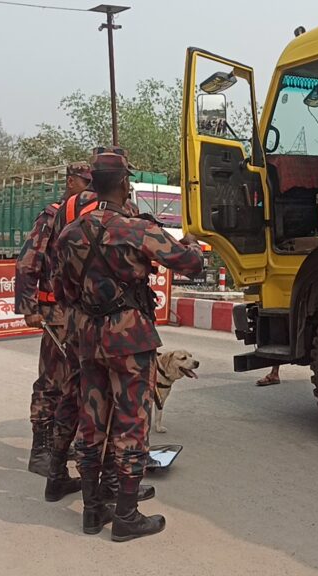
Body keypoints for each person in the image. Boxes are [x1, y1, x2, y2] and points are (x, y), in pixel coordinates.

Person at [55, 151, 204, 541]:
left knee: (91, 422)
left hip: (87, 339)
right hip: (130, 340)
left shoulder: (69, 233)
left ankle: (92, 511)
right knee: (132, 424)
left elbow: (62, 291)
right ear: (124, 184)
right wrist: (191, 243)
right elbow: (191, 264)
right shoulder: (136, 230)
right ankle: (125, 515)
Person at [15, 161, 93, 486]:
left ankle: (60, 443)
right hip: (55, 313)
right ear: (71, 182)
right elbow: (27, 262)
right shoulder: (52, 216)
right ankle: (40, 450)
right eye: (86, 182)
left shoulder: (87, 215)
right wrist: (29, 307)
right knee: (51, 382)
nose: (91, 188)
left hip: (78, 313)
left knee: (73, 381)